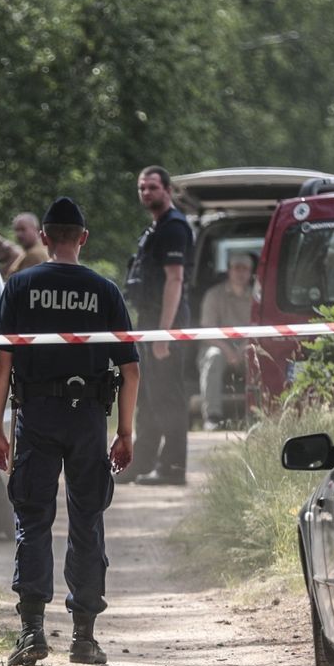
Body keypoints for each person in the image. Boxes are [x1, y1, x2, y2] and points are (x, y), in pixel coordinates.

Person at [0, 197, 139, 666]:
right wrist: (126, 432)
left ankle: (32, 632)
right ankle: (84, 638)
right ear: (84, 239)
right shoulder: (105, 291)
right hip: (89, 419)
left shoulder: (20, 286)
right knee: (87, 521)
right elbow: (131, 371)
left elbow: (2, 363)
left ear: (45, 238)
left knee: (33, 520)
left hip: (36, 414)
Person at [120, 165, 193, 485]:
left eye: (152, 187)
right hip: (149, 321)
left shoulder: (174, 228)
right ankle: (142, 462)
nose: (146, 193)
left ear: (167, 189)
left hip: (166, 323)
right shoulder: (156, 227)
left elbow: (174, 280)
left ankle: (173, 467)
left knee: (168, 398)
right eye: (141, 188)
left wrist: (163, 334)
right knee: (148, 397)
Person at [197, 251, 255, 431]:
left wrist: (244, 348)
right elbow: (207, 330)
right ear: (229, 271)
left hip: (245, 348)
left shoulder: (256, 297)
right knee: (213, 357)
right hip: (217, 347)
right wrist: (228, 350)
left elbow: (258, 328)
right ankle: (212, 417)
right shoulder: (213, 295)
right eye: (236, 268)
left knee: (259, 357)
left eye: (245, 269)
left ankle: (258, 415)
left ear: (251, 273)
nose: (240, 273)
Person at [9, 212, 50, 276]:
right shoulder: (33, 250)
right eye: (16, 230)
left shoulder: (35, 254)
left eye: (23, 229)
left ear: (36, 229)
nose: (19, 234)